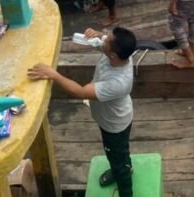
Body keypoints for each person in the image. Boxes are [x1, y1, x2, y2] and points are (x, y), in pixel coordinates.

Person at [27, 26, 137, 196]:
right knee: (120, 153)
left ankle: (125, 187)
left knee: (116, 156)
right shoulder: (117, 55)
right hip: (112, 117)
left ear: (113, 54)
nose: (104, 38)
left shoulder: (119, 82)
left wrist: (53, 74)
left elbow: (80, 92)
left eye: (107, 39)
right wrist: (97, 35)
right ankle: (124, 168)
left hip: (114, 125)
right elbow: (102, 42)